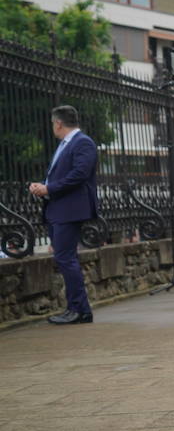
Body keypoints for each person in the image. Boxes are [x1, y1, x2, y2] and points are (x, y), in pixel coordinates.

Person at [28, 105, 99, 325]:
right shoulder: (66, 144)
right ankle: (80, 309)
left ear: (58, 123)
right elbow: (60, 174)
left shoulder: (82, 142)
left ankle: (77, 309)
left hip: (70, 209)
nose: (52, 128)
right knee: (66, 257)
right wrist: (43, 186)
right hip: (59, 208)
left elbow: (80, 174)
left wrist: (49, 189)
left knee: (65, 258)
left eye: (52, 124)